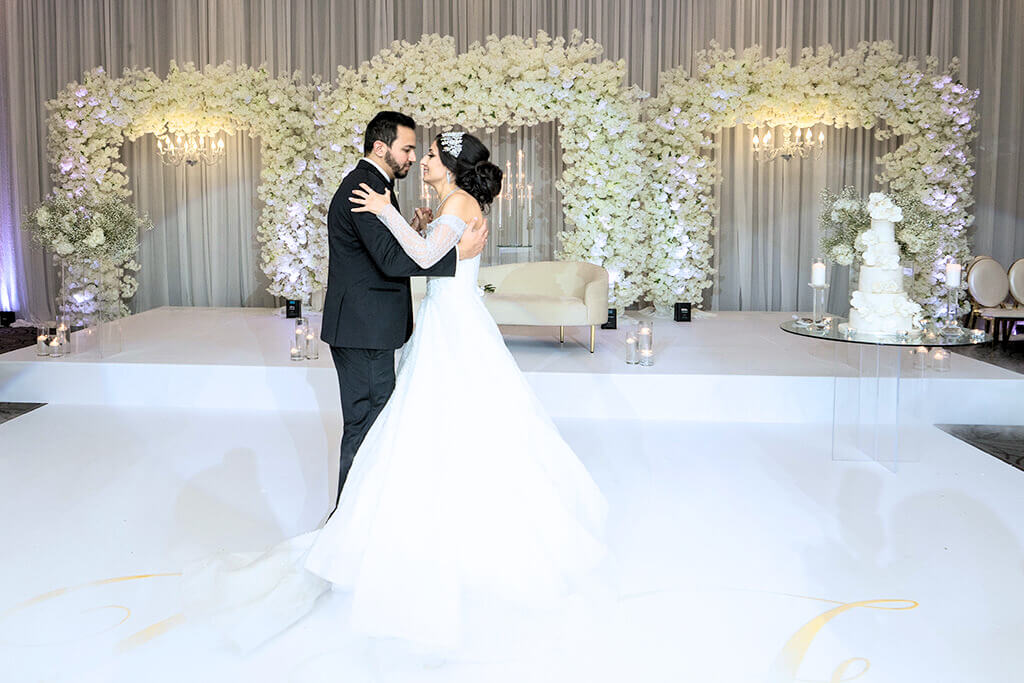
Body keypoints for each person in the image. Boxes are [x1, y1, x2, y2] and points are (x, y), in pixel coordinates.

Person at [183, 130, 607, 656]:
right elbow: (432, 251)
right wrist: (416, 225)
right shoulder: (451, 201)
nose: (421, 159)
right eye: (417, 151)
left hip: (451, 324)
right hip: (445, 318)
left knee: (437, 420)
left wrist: (388, 213)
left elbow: (426, 256)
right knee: (428, 421)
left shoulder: (455, 200)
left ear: (448, 165)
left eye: (428, 154)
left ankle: (415, 527)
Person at [321, 111, 488, 509]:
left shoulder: (377, 187)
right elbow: (392, 262)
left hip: (371, 327)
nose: (414, 159)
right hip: (364, 330)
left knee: (378, 423)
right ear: (382, 148)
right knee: (367, 424)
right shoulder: (365, 189)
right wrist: (456, 256)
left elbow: (387, 251)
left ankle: (366, 516)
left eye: (421, 151)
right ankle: (348, 520)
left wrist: (411, 228)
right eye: (409, 149)